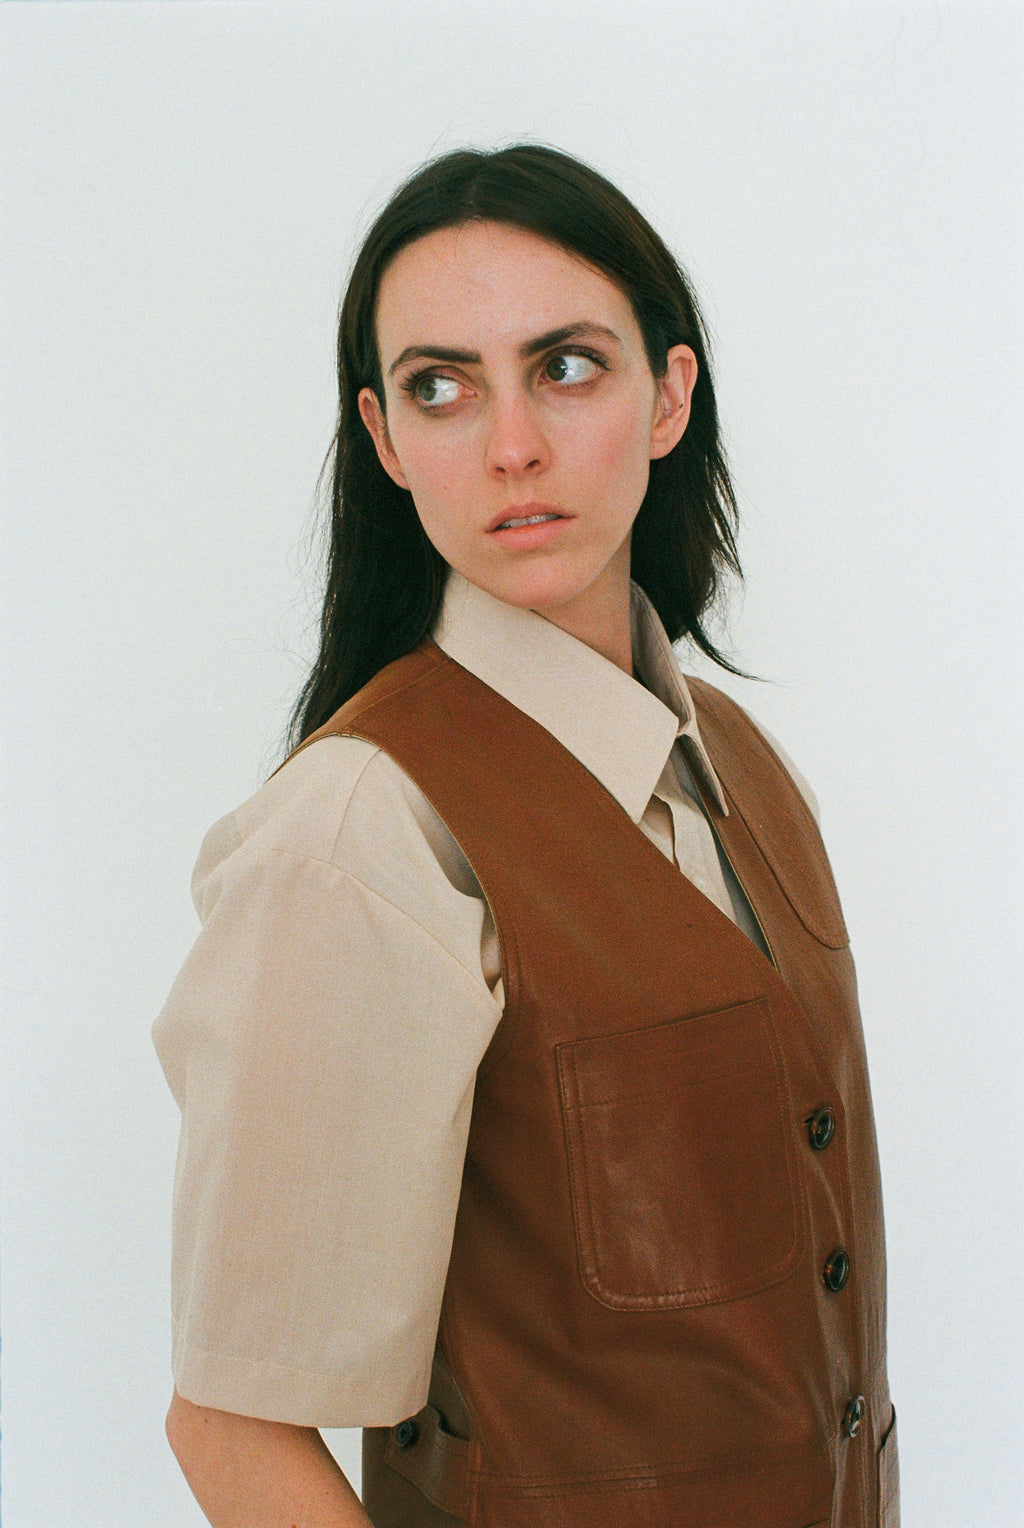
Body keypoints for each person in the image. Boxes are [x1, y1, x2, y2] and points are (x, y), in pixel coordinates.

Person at [154, 144, 898, 1528]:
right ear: (384, 441)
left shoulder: (743, 770)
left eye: (565, 367)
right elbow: (234, 1424)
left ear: (671, 394)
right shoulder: (365, 827)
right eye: (442, 386)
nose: (512, 447)